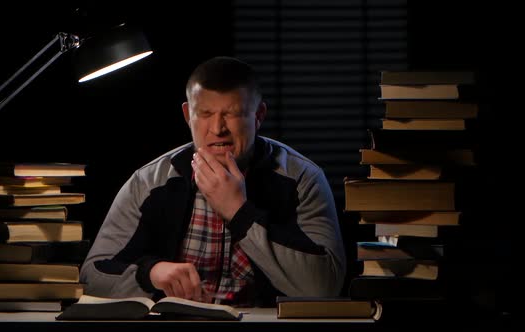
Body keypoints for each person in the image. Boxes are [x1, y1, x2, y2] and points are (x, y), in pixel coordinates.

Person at [80, 56, 346, 307]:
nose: (218, 128)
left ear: (259, 115)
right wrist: (150, 272)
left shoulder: (302, 179)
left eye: (233, 114)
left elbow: (325, 286)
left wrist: (239, 213)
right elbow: (91, 276)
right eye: (205, 114)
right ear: (187, 115)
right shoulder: (149, 181)